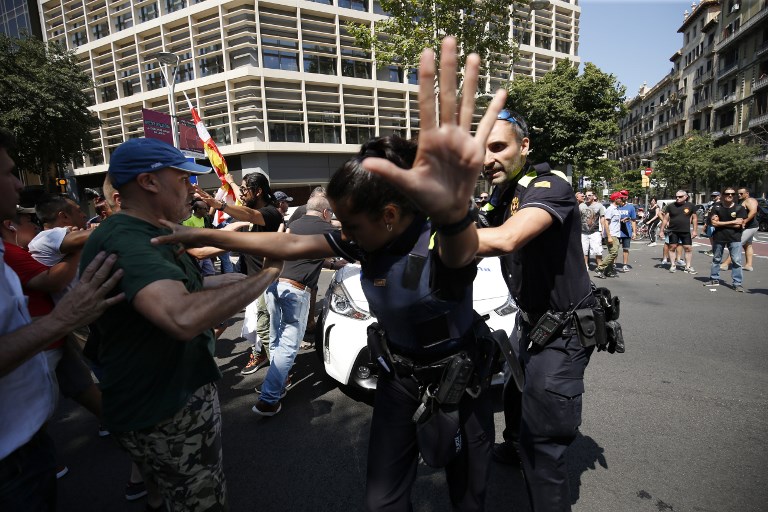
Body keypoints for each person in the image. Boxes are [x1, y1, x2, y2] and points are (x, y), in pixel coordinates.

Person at [152, 36, 507, 511]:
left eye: (350, 223)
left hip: (461, 383)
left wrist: (455, 215)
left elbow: (460, 252)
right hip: (399, 381)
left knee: (469, 497)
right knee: (382, 501)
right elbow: (287, 243)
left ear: (388, 216)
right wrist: (205, 236)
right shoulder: (366, 239)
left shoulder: (440, 241)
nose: (342, 232)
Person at [79, 137, 284, 511]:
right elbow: (182, 316)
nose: (192, 188)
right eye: (183, 179)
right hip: (168, 409)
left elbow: (170, 288)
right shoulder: (128, 239)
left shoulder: (150, 232)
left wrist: (218, 282)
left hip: (164, 397)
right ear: (148, 182)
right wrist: (266, 275)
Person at [475, 107, 597, 512]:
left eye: (497, 147)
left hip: (565, 331)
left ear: (524, 145)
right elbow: (478, 228)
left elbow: (507, 239)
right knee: (515, 390)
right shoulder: (502, 194)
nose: (487, 158)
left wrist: (440, 243)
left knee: (543, 445)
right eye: (481, 149)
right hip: (530, 324)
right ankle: (515, 445)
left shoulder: (549, 185)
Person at [0, 128, 123, 512]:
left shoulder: (8, 252)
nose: (18, 184)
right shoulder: (46, 240)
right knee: (100, 375)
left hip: (26, 446)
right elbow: (59, 271)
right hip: (12, 464)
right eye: (9, 172)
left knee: (86, 381)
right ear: (61, 217)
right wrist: (64, 318)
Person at [253, 194, 338, 416]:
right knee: (288, 346)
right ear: (326, 212)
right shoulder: (327, 228)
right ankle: (268, 399)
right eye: (330, 214)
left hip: (273, 286)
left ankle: (278, 385)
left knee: (276, 339)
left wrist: (333, 264)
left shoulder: (293, 224)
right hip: (295, 291)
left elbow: (306, 255)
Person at [196, 171, 283, 374]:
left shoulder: (270, 213)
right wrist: (232, 183)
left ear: (258, 191)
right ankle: (262, 356)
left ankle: (279, 375)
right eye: (241, 190)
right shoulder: (249, 211)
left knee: (264, 328)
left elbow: (251, 215)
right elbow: (244, 206)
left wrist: (221, 206)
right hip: (251, 281)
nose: (241, 194)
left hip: (267, 282)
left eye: (245, 190)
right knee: (256, 328)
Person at [702, 187, 746, 292]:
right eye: (727, 194)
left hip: (735, 237)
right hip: (719, 236)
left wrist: (720, 223)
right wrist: (733, 222)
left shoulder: (739, 208)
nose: (730, 195)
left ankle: (737, 283)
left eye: (732, 194)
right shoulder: (716, 207)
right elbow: (714, 223)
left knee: (736, 261)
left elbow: (739, 224)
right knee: (716, 259)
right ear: (723, 195)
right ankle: (714, 279)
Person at [660, 190, 698, 274]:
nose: (677, 198)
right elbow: (665, 219)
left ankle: (688, 266)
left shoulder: (691, 206)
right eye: (676, 197)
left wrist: (695, 230)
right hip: (673, 230)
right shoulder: (671, 206)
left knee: (688, 248)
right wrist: (661, 230)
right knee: (672, 247)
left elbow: (695, 218)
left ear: (686, 197)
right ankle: (673, 265)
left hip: (685, 231)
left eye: (680, 197)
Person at [721, 187, 758, 272]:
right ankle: (749, 265)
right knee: (748, 245)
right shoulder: (742, 201)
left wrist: (744, 221)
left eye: (741, 193)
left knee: (737, 244)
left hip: (750, 226)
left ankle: (726, 264)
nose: (739, 195)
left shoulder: (750, 200)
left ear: (747, 193)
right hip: (748, 227)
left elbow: (753, 211)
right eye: (738, 194)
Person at [594, 192, 622, 279]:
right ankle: (600, 268)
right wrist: (609, 236)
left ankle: (608, 271)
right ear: (616, 199)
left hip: (615, 234)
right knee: (614, 253)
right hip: (612, 235)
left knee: (612, 253)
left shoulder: (616, 209)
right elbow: (606, 223)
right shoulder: (610, 209)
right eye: (620, 198)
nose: (621, 200)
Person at [579, 190, 605, 269]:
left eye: (589, 195)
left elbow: (602, 218)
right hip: (583, 232)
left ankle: (599, 266)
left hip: (595, 232)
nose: (587, 197)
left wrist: (603, 229)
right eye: (586, 195)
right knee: (584, 250)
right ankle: (585, 266)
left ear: (594, 196)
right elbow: (578, 218)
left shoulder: (599, 206)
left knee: (598, 250)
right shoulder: (581, 206)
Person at [616, 192, 637, 272]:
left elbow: (633, 220)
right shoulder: (616, 206)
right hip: (616, 231)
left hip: (627, 231)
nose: (622, 197)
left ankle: (625, 265)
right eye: (621, 196)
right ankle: (613, 264)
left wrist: (634, 232)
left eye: (624, 196)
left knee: (625, 249)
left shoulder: (631, 207)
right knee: (615, 249)